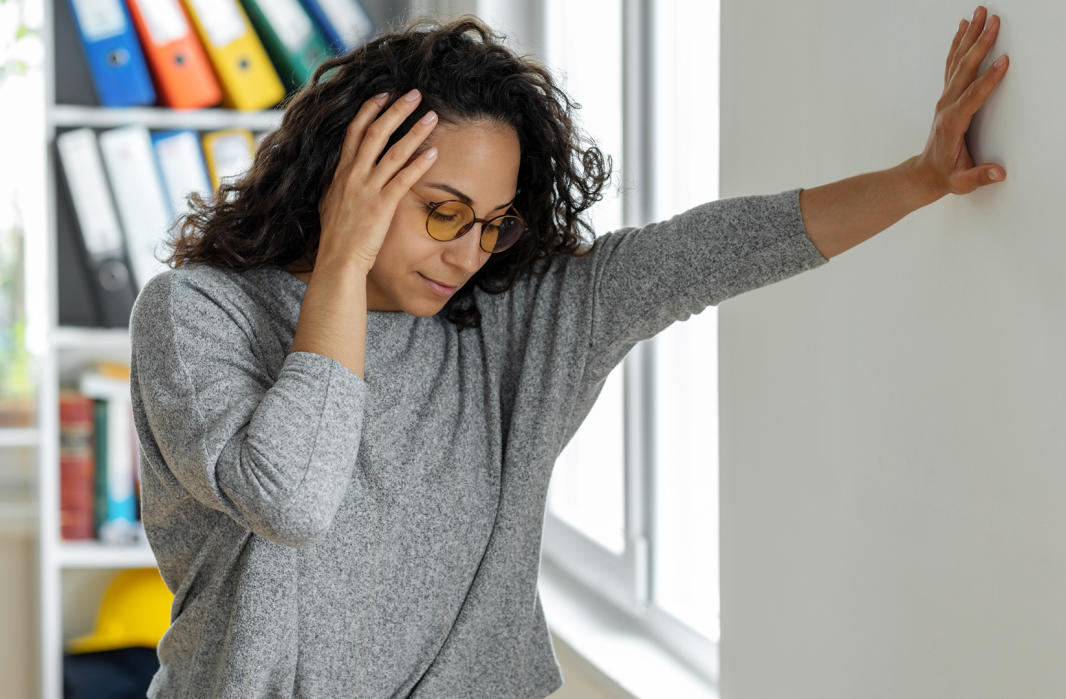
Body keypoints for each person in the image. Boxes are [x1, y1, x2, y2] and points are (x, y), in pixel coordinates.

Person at [128, 7, 1008, 697]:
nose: (469, 253)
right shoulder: (197, 316)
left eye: (491, 222)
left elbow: (702, 251)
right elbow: (290, 497)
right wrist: (345, 259)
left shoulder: (508, 321)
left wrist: (919, 177)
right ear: (350, 179)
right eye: (442, 210)